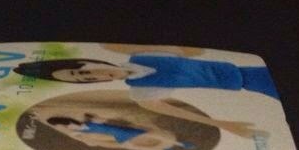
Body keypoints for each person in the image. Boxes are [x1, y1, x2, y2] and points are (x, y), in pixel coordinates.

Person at [15, 44, 277, 138]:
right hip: (250, 86)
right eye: (84, 80)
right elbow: (188, 116)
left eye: (80, 70)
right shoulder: (142, 94)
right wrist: (228, 125)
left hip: (254, 66)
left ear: (84, 61)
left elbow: (196, 51)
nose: (91, 75)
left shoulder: (142, 52)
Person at [44, 114, 196, 150]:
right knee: (132, 147)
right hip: (119, 136)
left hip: (126, 131)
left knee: (154, 135)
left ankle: (181, 144)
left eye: (67, 125)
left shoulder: (89, 122)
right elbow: (77, 136)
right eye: (66, 127)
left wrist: (100, 119)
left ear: (71, 122)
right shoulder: (80, 132)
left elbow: (104, 119)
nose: (68, 128)